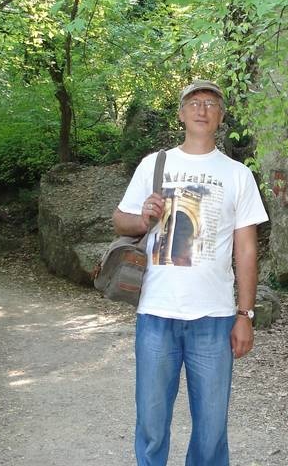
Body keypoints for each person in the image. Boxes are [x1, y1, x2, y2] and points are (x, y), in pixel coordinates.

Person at [113, 79, 269, 466]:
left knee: (212, 429)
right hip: (156, 313)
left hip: (214, 318)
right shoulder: (155, 164)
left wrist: (245, 314)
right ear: (181, 114)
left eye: (211, 104)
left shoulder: (237, 174)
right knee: (151, 423)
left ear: (221, 117)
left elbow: (246, 249)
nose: (202, 109)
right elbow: (120, 221)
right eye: (194, 102)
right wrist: (143, 219)